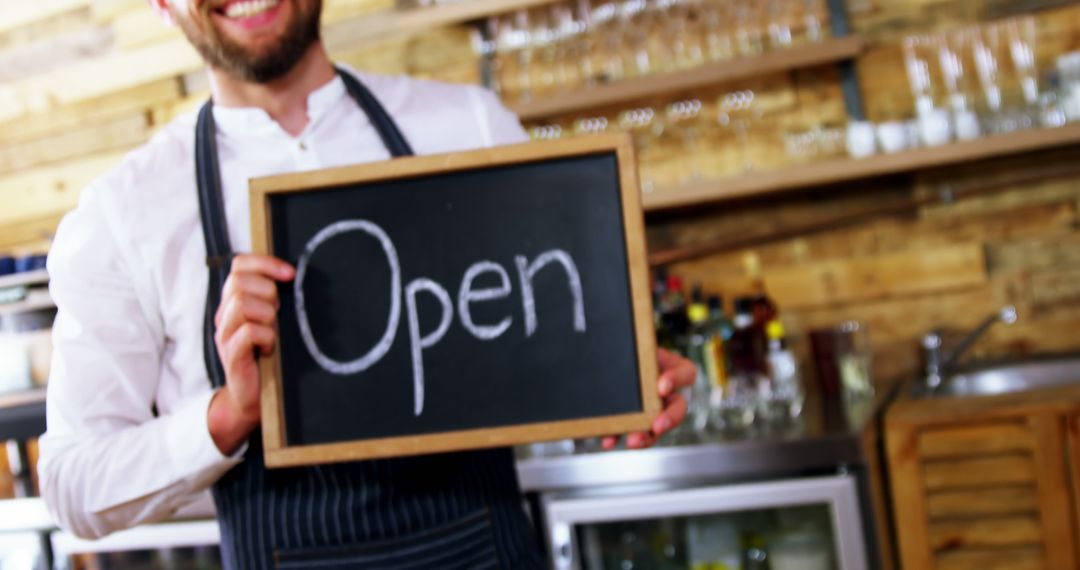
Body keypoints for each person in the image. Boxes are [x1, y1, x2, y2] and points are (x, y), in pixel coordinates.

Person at [38, 0, 697, 567]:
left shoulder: (469, 128)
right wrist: (227, 416)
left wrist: (621, 376)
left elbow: (544, 355)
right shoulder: (122, 213)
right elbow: (72, 484)